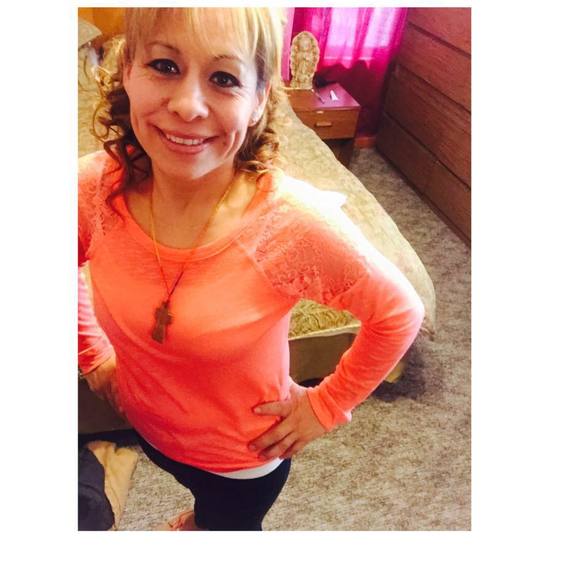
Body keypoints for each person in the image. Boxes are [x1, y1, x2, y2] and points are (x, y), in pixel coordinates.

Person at [78, 7, 425, 531]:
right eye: (165, 66)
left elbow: (399, 312)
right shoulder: (92, 190)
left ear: (260, 98)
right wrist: (94, 357)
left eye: (224, 78)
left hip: (241, 460)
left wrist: (325, 406)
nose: (188, 105)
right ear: (127, 70)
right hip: (148, 427)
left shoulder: (292, 224)